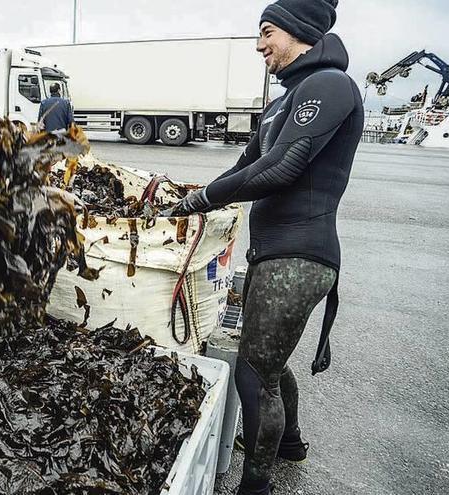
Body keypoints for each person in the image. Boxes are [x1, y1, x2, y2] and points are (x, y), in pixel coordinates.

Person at [167, 0, 362, 493]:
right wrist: (187, 198)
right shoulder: (284, 100)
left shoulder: (330, 87)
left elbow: (282, 167)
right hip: (272, 253)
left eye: (267, 32)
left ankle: (256, 486)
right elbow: (242, 167)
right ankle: (290, 443)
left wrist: (205, 199)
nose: (259, 46)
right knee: (264, 362)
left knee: (254, 377)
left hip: (302, 254)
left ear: (298, 32)